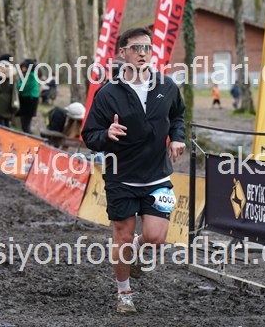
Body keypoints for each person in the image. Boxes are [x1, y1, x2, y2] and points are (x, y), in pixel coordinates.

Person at [81, 27, 186, 314]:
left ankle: (137, 250)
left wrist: (177, 137)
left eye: (147, 48)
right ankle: (124, 292)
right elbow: (89, 135)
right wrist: (106, 134)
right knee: (122, 237)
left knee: (156, 237)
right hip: (121, 177)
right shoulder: (108, 93)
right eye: (136, 48)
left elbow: (178, 115)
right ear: (122, 53)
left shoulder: (166, 86)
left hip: (157, 176)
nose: (143, 53)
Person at [18, 59, 39, 134]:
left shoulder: (31, 76)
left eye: (24, 67)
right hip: (28, 99)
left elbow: (22, 87)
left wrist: (16, 84)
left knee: (26, 123)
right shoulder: (30, 75)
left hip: (29, 100)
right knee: (25, 122)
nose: (22, 68)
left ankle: (28, 137)